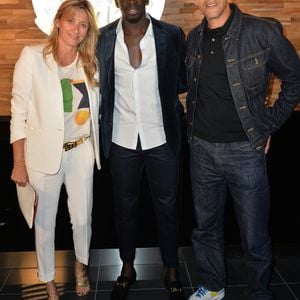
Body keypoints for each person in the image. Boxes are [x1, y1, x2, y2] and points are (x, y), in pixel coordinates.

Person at [185, 1, 300, 300]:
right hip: (201, 150)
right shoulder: (193, 39)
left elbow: (295, 79)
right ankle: (212, 287)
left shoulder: (261, 32)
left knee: (254, 234)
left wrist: (268, 124)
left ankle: (259, 293)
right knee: (205, 229)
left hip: (245, 152)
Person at [10, 0, 100, 298]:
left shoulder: (89, 62)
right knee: (45, 224)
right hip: (42, 156)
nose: (77, 29)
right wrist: (19, 162)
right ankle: (48, 283)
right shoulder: (33, 57)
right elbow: (19, 112)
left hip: (80, 152)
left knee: (83, 219)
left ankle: (80, 266)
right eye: (72, 21)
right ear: (59, 21)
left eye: (84, 24)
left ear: (88, 31)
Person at [97, 0, 187, 299]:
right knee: (124, 209)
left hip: (161, 137)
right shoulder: (103, 37)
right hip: (121, 138)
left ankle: (172, 269)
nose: (132, 1)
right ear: (117, 2)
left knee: (168, 208)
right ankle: (127, 267)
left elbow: (182, 81)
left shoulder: (172, 34)